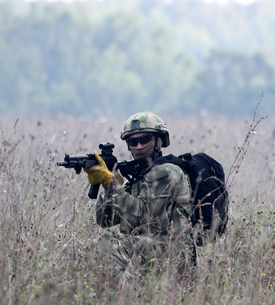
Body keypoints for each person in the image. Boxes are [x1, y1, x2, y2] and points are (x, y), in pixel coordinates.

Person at [84, 111, 196, 275]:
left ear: (159, 140)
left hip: (173, 254)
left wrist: (112, 184)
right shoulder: (138, 177)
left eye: (145, 140)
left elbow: (141, 215)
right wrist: (109, 184)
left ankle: (120, 295)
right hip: (147, 248)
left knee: (113, 246)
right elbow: (105, 220)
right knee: (100, 243)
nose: (139, 146)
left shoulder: (167, 171)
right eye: (133, 142)